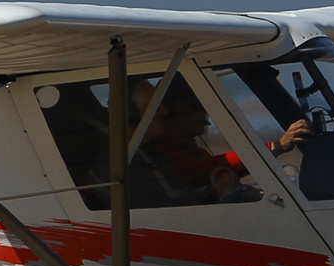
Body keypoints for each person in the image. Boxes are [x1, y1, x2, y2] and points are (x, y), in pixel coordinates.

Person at [129, 81, 308, 204]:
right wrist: (276, 146)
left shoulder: (196, 152)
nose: (203, 111)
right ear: (174, 111)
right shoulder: (158, 150)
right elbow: (204, 170)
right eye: (195, 103)